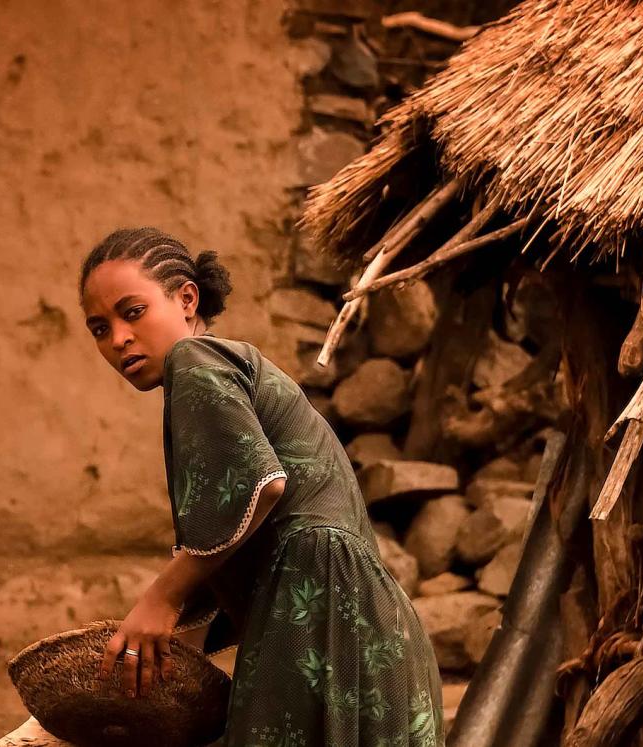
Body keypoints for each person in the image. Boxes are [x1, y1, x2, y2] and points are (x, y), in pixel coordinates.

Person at [78, 227, 442, 746]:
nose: (118, 339)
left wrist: (161, 597)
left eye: (132, 312)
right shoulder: (221, 372)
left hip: (326, 619)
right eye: (98, 328)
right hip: (369, 636)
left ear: (186, 299)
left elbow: (260, 485)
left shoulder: (195, 360)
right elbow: (247, 527)